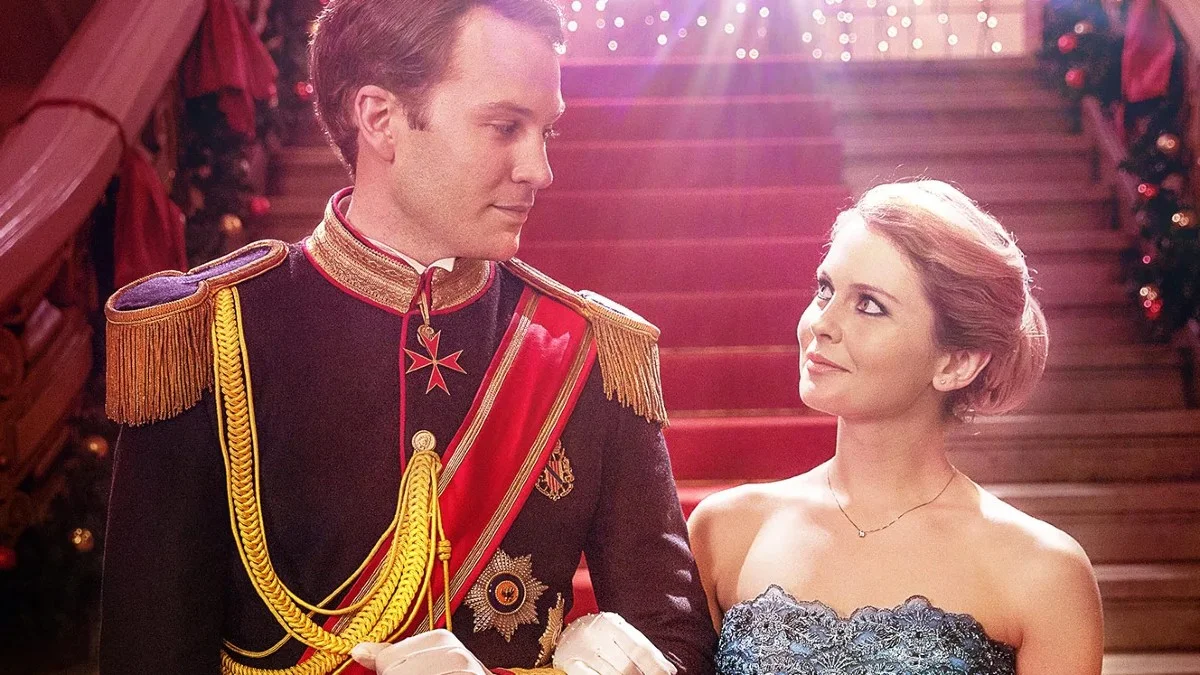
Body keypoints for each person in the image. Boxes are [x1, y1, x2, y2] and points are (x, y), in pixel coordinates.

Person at [98, 1, 717, 674]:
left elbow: (676, 646)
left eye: (546, 131)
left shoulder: (589, 349)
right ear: (379, 119)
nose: (539, 169)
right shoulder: (211, 334)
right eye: (505, 126)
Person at [687, 180, 1105, 674]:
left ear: (957, 362)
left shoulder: (1044, 572)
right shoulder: (726, 531)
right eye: (825, 290)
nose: (821, 324)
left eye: (869, 304)